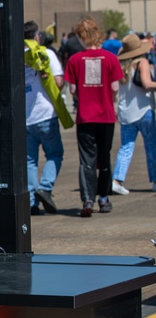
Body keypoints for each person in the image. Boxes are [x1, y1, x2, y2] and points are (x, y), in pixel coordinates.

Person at [64, 16, 122, 217]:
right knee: (104, 158)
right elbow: (115, 87)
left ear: (81, 37)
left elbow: (72, 89)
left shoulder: (74, 60)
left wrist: (84, 94)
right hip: (106, 115)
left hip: (86, 116)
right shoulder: (111, 59)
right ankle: (104, 199)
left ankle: (87, 199)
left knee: (87, 160)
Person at [23, 20, 66, 215]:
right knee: (55, 154)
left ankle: (32, 201)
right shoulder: (46, 54)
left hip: (26, 117)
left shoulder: (20, 58)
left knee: (30, 161)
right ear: (37, 36)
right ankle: (45, 187)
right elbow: (58, 82)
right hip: (46, 113)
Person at [111, 34, 156, 194]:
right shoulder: (142, 62)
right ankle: (155, 180)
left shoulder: (120, 65)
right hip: (143, 110)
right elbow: (146, 83)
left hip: (125, 112)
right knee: (151, 146)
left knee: (126, 147)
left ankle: (116, 180)